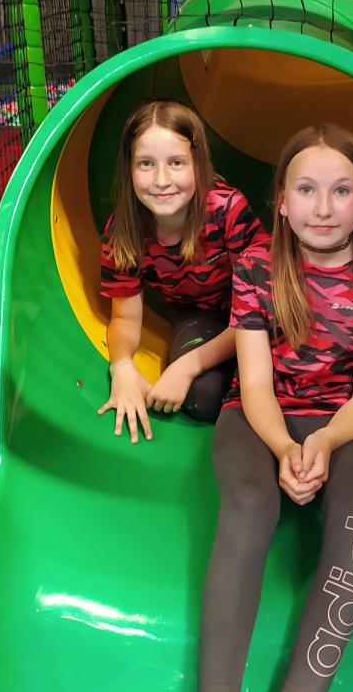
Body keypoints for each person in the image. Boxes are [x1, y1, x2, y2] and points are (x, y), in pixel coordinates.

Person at [176, 124, 353, 692]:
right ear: (281, 201)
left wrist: (325, 443)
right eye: (306, 190)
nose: (323, 207)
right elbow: (253, 383)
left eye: (341, 191)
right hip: (258, 419)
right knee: (249, 510)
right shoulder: (257, 267)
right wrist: (284, 448)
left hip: (340, 421)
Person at [97, 100, 267, 440]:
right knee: (202, 397)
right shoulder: (124, 231)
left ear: (197, 164)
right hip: (198, 316)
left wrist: (187, 366)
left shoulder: (226, 209)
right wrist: (122, 366)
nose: (162, 180)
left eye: (176, 163)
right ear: (129, 168)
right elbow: (126, 319)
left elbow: (260, 309)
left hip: (259, 315)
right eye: (146, 164)